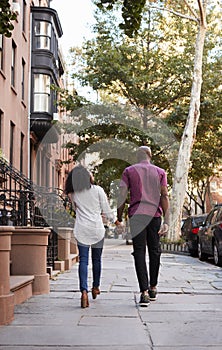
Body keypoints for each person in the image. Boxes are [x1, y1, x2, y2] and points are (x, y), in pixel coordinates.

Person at [116, 146, 170, 307]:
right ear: (150, 156)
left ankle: (144, 292)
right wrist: (167, 221)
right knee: (155, 250)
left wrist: (119, 217)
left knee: (139, 251)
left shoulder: (129, 171)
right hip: (155, 216)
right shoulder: (160, 172)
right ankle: (153, 287)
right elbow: (164, 195)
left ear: (137, 156)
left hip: (137, 216)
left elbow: (122, 195)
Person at [64, 164, 114, 308]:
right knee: (97, 260)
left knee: (83, 261)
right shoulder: (98, 190)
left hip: (82, 229)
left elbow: (76, 209)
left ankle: (84, 291)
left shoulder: (73, 194)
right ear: (87, 177)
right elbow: (106, 210)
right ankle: (96, 287)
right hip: (97, 229)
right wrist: (115, 221)